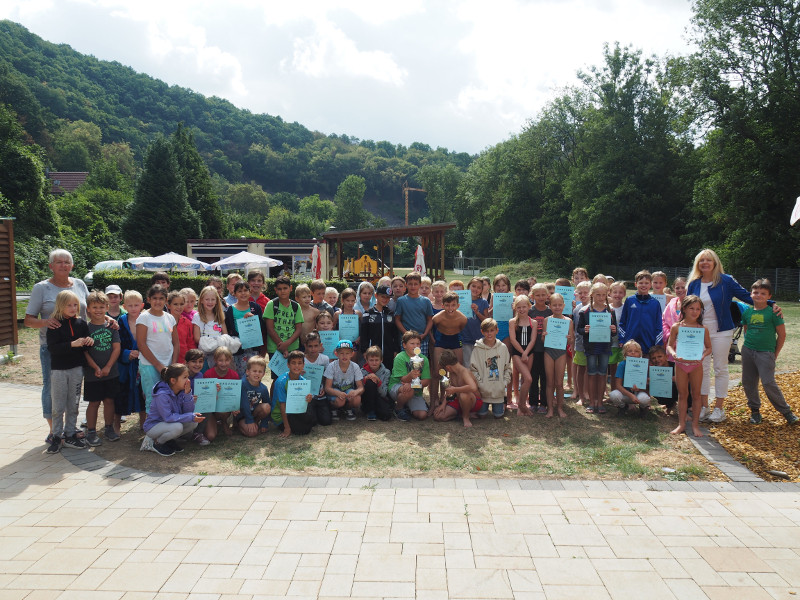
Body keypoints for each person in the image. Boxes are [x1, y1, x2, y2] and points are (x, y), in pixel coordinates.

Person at [686, 248, 780, 424]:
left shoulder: (725, 280)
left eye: (709, 260)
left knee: (720, 367)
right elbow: (687, 306)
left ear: (715, 263)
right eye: (701, 260)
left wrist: (771, 303)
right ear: (698, 264)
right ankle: (704, 407)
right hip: (699, 331)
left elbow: (747, 296)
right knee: (702, 369)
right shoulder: (694, 283)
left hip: (722, 330)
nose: (705, 263)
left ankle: (719, 409)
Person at [26, 249, 91, 443]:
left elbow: (90, 309)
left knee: (74, 388)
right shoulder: (41, 288)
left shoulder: (79, 284)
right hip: (52, 347)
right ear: (50, 266)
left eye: (67, 262)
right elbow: (28, 320)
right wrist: (46, 322)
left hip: (78, 347)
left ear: (72, 266)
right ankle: (54, 431)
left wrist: (107, 320)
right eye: (58, 262)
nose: (63, 265)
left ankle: (70, 428)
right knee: (51, 387)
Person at [740, 279, 798, 425]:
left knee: (768, 383)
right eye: (755, 292)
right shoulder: (747, 312)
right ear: (751, 294)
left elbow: (782, 335)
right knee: (748, 382)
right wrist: (748, 347)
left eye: (763, 293)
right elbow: (746, 330)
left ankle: (787, 412)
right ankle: (755, 411)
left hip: (765, 353)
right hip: (748, 351)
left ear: (769, 296)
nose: (758, 295)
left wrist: (774, 353)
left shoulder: (773, 313)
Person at [45, 290, 92, 453]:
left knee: (73, 403)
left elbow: (86, 345)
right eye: (69, 305)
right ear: (60, 306)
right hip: (59, 370)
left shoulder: (81, 323)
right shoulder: (54, 324)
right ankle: (56, 436)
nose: (73, 308)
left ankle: (70, 433)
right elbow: (52, 348)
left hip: (77, 369)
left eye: (75, 305)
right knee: (58, 405)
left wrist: (88, 341)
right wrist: (72, 344)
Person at [667, 295, 712, 437]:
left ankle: (695, 425)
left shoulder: (703, 329)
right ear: (684, 309)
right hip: (680, 364)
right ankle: (681, 424)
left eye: (698, 309)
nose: (695, 311)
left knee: (696, 395)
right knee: (682, 395)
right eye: (691, 308)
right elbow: (669, 345)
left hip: (696, 365)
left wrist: (703, 356)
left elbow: (709, 348)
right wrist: (673, 354)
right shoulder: (677, 327)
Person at [83, 291, 121, 446]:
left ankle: (108, 428)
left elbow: (117, 348)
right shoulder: (85, 328)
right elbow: (84, 352)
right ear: (88, 309)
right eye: (94, 307)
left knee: (109, 400)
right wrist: (96, 367)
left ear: (107, 307)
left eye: (101, 307)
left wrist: (107, 367)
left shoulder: (111, 326)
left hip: (111, 372)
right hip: (93, 373)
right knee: (94, 402)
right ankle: (91, 431)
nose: (98, 310)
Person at [142, 363, 204, 456]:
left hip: (169, 424)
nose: (188, 380)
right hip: (153, 426)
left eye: (188, 377)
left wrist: (187, 395)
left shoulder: (181, 391)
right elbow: (168, 417)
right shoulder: (162, 395)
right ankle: (155, 443)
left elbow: (188, 412)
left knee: (193, 422)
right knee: (178, 427)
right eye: (184, 377)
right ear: (173, 380)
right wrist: (190, 416)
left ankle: (168, 441)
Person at [136, 285, 179, 412]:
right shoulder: (144, 317)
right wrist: (158, 366)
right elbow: (141, 344)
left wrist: (173, 364)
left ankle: (167, 427)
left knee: (169, 397)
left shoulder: (169, 317)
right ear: (148, 299)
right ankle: (153, 430)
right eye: (154, 298)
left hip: (168, 364)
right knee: (153, 398)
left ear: (166, 300)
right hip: (149, 365)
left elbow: (176, 343)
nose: (158, 301)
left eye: (161, 298)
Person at [577, 282, 617, 414]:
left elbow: (614, 332)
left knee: (602, 373)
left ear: (607, 295)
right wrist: (585, 330)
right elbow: (579, 329)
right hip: (591, 347)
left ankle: (600, 402)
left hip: (605, 347)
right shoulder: (585, 311)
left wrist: (613, 329)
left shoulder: (610, 311)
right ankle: (591, 402)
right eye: (598, 294)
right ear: (592, 294)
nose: (600, 297)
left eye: (603, 295)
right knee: (592, 373)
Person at [430, 292, 467, 409]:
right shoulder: (437, 318)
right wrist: (434, 341)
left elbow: (461, 329)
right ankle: (434, 400)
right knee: (438, 372)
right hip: (441, 340)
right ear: (443, 305)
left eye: (453, 305)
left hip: (456, 340)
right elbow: (431, 329)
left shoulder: (462, 318)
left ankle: (453, 398)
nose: (450, 308)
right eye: (447, 305)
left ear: (458, 305)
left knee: (457, 370)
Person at [116, 290, 145, 435]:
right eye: (130, 305)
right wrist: (127, 353)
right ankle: (116, 425)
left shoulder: (146, 319)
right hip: (125, 365)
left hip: (143, 362)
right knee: (121, 393)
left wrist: (142, 352)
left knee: (143, 393)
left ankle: (144, 423)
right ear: (124, 306)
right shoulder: (120, 321)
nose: (133, 308)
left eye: (136, 305)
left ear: (142, 305)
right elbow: (116, 343)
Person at [224, 281, 267, 376]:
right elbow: (229, 329)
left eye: (245, 290)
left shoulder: (255, 307)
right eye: (239, 291)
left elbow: (262, 326)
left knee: (253, 373)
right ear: (234, 294)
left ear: (250, 292)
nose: (243, 293)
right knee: (239, 374)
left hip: (253, 347)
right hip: (238, 348)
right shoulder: (230, 310)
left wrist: (253, 320)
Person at [471, 318, 512, 418]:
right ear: (482, 332)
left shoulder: (502, 347)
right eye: (486, 331)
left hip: (498, 391)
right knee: (482, 415)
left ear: (497, 330)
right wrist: (480, 383)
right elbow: (473, 369)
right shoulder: (477, 348)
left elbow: (508, 367)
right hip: (483, 392)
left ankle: (503, 403)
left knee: (498, 416)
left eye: (492, 330)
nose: (489, 334)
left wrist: (504, 382)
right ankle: (482, 406)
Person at [542, 293, 574, 418]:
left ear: (564, 306)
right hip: (549, 352)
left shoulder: (568, 321)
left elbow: (571, 341)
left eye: (559, 305)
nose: (557, 307)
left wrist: (569, 338)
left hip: (561, 353)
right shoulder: (547, 320)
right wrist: (543, 336)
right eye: (554, 305)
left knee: (559, 383)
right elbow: (543, 341)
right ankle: (550, 409)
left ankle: (560, 408)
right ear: (549, 306)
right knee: (550, 383)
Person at [389, 331, 431, 421]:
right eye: (412, 343)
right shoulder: (400, 357)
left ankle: (408, 406)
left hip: (414, 390)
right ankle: (398, 408)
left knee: (422, 415)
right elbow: (403, 379)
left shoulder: (424, 359)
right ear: (404, 345)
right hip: (397, 386)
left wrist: (413, 384)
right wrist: (411, 375)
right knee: (408, 391)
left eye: (418, 343)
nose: (415, 346)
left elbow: (426, 381)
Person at [618, 270, 662, 356]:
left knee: (646, 367)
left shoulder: (655, 303)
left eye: (646, 283)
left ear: (650, 285)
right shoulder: (629, 300)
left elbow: (659, 325)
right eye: (641, 283)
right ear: (636, 284)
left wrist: (658, 344)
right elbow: (623, 322)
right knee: (631, 368)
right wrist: (622, 339)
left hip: (648, 344)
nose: (643, 285)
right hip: (630, 345)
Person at [434, 349, 481, 428]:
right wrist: (443, 404)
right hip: (458, 400)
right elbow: (451, 390)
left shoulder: (464, 372)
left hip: (473, 401)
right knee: (438, 416)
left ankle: (466, 417)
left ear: (448, 367)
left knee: (464, 395)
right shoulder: (452, 373)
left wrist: (455, 389)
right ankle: (461, 413)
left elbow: (473, 387)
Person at [273, 350, 316, 437]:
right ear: (288, 365)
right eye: (293, 363)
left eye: (299, 363)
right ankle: (290, 424)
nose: (297, 366)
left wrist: (308, 399)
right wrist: (287, 428)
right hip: (281, 416)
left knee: (313, 420)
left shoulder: (303, 381)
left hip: (294, 410)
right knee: (303, 430)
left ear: (303, 365)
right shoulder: (281, 382)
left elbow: (304, 402)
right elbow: (282, 405)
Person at [203, 346, 240, 441]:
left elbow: (235, 396)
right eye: (220, 360)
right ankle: (213, 422)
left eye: (226, 360)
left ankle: (224, 422)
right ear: (215, 360)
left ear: (231, 360)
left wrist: (235, 407)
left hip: (224, 409)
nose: (223, 363)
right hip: (211, 409)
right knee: (211, 436)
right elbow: (204, 396)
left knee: (223, 410)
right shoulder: (208, 374)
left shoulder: (234, 375)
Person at [323, 340, 364, 421]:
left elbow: (361, 387)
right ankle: (334, 408)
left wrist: (356, 392)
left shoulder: (355, 366)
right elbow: (327, 388)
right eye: (341, 353)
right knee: (340, 401)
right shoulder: (332, 366)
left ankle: (348, 408)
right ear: (336, 354)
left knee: (357, 399)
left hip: (348, 391)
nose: (344, 356)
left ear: (352, 354)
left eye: (347, 353)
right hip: (335, 391)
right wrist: (337, 393)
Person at [359, 285, 397, 371]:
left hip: (388, 353)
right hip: (373, 353)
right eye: (382, 297)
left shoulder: (390, 313)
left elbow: (395, 334)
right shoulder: (368, 313)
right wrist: (365, 350)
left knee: (387, 373)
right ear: (376, 296)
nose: (385, 299)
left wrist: (395, 350)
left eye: (387, 297)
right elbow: (364, 334)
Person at [609, 340, 652, 417]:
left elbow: (647, 385)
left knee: (645, 398)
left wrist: (640, 388)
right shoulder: (622, 365)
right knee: (614, 395)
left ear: (640, 354)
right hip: (625, 394)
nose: (633, 353)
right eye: (629, 351)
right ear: (625, 354)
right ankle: (622, 407)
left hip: (638, 394)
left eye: (636, 351)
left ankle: (643, 408)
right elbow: (618, 385)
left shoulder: (644, 365)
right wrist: (630, 395)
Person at [509, 295, 536, 417]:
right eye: (518, 307)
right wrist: (522, 353)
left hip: (529, 352)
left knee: (526, 380)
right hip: (517, 354)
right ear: (515, 308)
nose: (521, 309)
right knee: (528, 378)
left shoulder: (533, 322)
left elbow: (533, 340)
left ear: (529, 307)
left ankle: (522, 403)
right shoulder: (513, 322)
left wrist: (526, 353)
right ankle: (521, 405)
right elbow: (513, 340)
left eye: (524, 307)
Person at [395, 272, 434, 356]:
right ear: (406, 285)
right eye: (410, 284)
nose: (413, 286)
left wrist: (425, 334)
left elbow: (430, 320)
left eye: (415, 284)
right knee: (406, 364)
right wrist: (406, 333)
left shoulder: (426, 301)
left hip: (422, 340)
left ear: (420, 285)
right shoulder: (401, 301)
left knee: (420, 364)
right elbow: (397, 319)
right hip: (406, 340)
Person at [528, 283, 552, 414]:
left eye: (543, 295)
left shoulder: (550, 311)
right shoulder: (530, 311)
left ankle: (544, 403)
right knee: (533, 376)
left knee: (545, 377)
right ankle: (532, 402)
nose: (541, 297)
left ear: (548, 296)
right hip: (533, 349)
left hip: (547, 350)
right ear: (532, 296)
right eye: (538, 295)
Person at [192, 286, 228, 369]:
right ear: (201, 300)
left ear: (216, 301)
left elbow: (225, 335)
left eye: (213, 299)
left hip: (219, 356)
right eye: (207, 299)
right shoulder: (197, 317)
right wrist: (210, 344)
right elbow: (197, 338)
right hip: (203, 356)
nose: (210, 302)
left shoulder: (220, 316)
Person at [303, 331, 333, 426]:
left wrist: (324, 387)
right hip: (307, 396)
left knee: (326, 421)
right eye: (310, 346)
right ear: (305, 346)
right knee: (312, 422)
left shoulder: (325, 359)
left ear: (320, 345)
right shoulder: (301, 360)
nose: (313, 349)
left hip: (320, 394)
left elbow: (327, 376)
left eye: (316, 346)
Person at [237, 356, 271, 436]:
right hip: (242, 414)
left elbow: (268, 404)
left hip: (253, 412)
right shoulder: (242, 384)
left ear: (263, 374)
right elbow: (244, 404)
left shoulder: (263, 388)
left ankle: (255, 422)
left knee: (267, 407)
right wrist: (249, 421)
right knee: (252, 433)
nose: (257, 374)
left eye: (260, 371)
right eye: (254, 371)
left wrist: (264, 423)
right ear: (247, 372)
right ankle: (240, 424)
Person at [460, 277, 490, 367]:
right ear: (468, 286)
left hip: (479, 338)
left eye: (479, 287)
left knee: (479, 365)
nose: (475, 289)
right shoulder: (461, 300)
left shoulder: (483, 302)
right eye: (473, 286)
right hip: (465, 338)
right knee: (467, 364)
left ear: (482, 290)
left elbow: (486, 320)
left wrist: (477, 312)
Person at [184, 348, 211, 445]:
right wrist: (188, 398)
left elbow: (201, 392)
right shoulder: (181, 375)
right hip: (181, 406)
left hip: (194, 404)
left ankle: (198, 433)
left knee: (208, 402)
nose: (197, 364)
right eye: (193, 361)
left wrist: (212, 391)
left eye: (200, 361)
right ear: (186, 363)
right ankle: (183, 434)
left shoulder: (200, 375)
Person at [361, 346, 393, 421]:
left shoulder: (386, 372)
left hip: (379, 397)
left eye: (376, 360)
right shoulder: (362, 371)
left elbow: (384, 394)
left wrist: (378, 380)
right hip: (367, 398)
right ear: (367, 360)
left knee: (386, 416)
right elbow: (359, 390)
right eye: (371, 360)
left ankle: (378, 409)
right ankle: (370, 411)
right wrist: (365, 379)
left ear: (381, 360)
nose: (374, 363)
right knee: (370, 382)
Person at [648, 346, 679, 416]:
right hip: (663, 391)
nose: (657, 359)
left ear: (666, 357)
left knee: (677, 385)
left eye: (659, 356)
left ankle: (680, 408)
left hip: (678, 391)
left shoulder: (676, 367)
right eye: (653, 358)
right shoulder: (653, 371)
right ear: (651, 361)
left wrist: (677, 378)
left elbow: (687, 379)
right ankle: (670, 404)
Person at [168, 291, 196, 365]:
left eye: (181, 304)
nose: (179, 307)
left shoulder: (187, 323)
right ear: (168, 305)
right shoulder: (163, 321)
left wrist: (190, 360)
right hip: (165, 360)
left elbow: (190, 343)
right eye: (175, 304)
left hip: (182, 362)